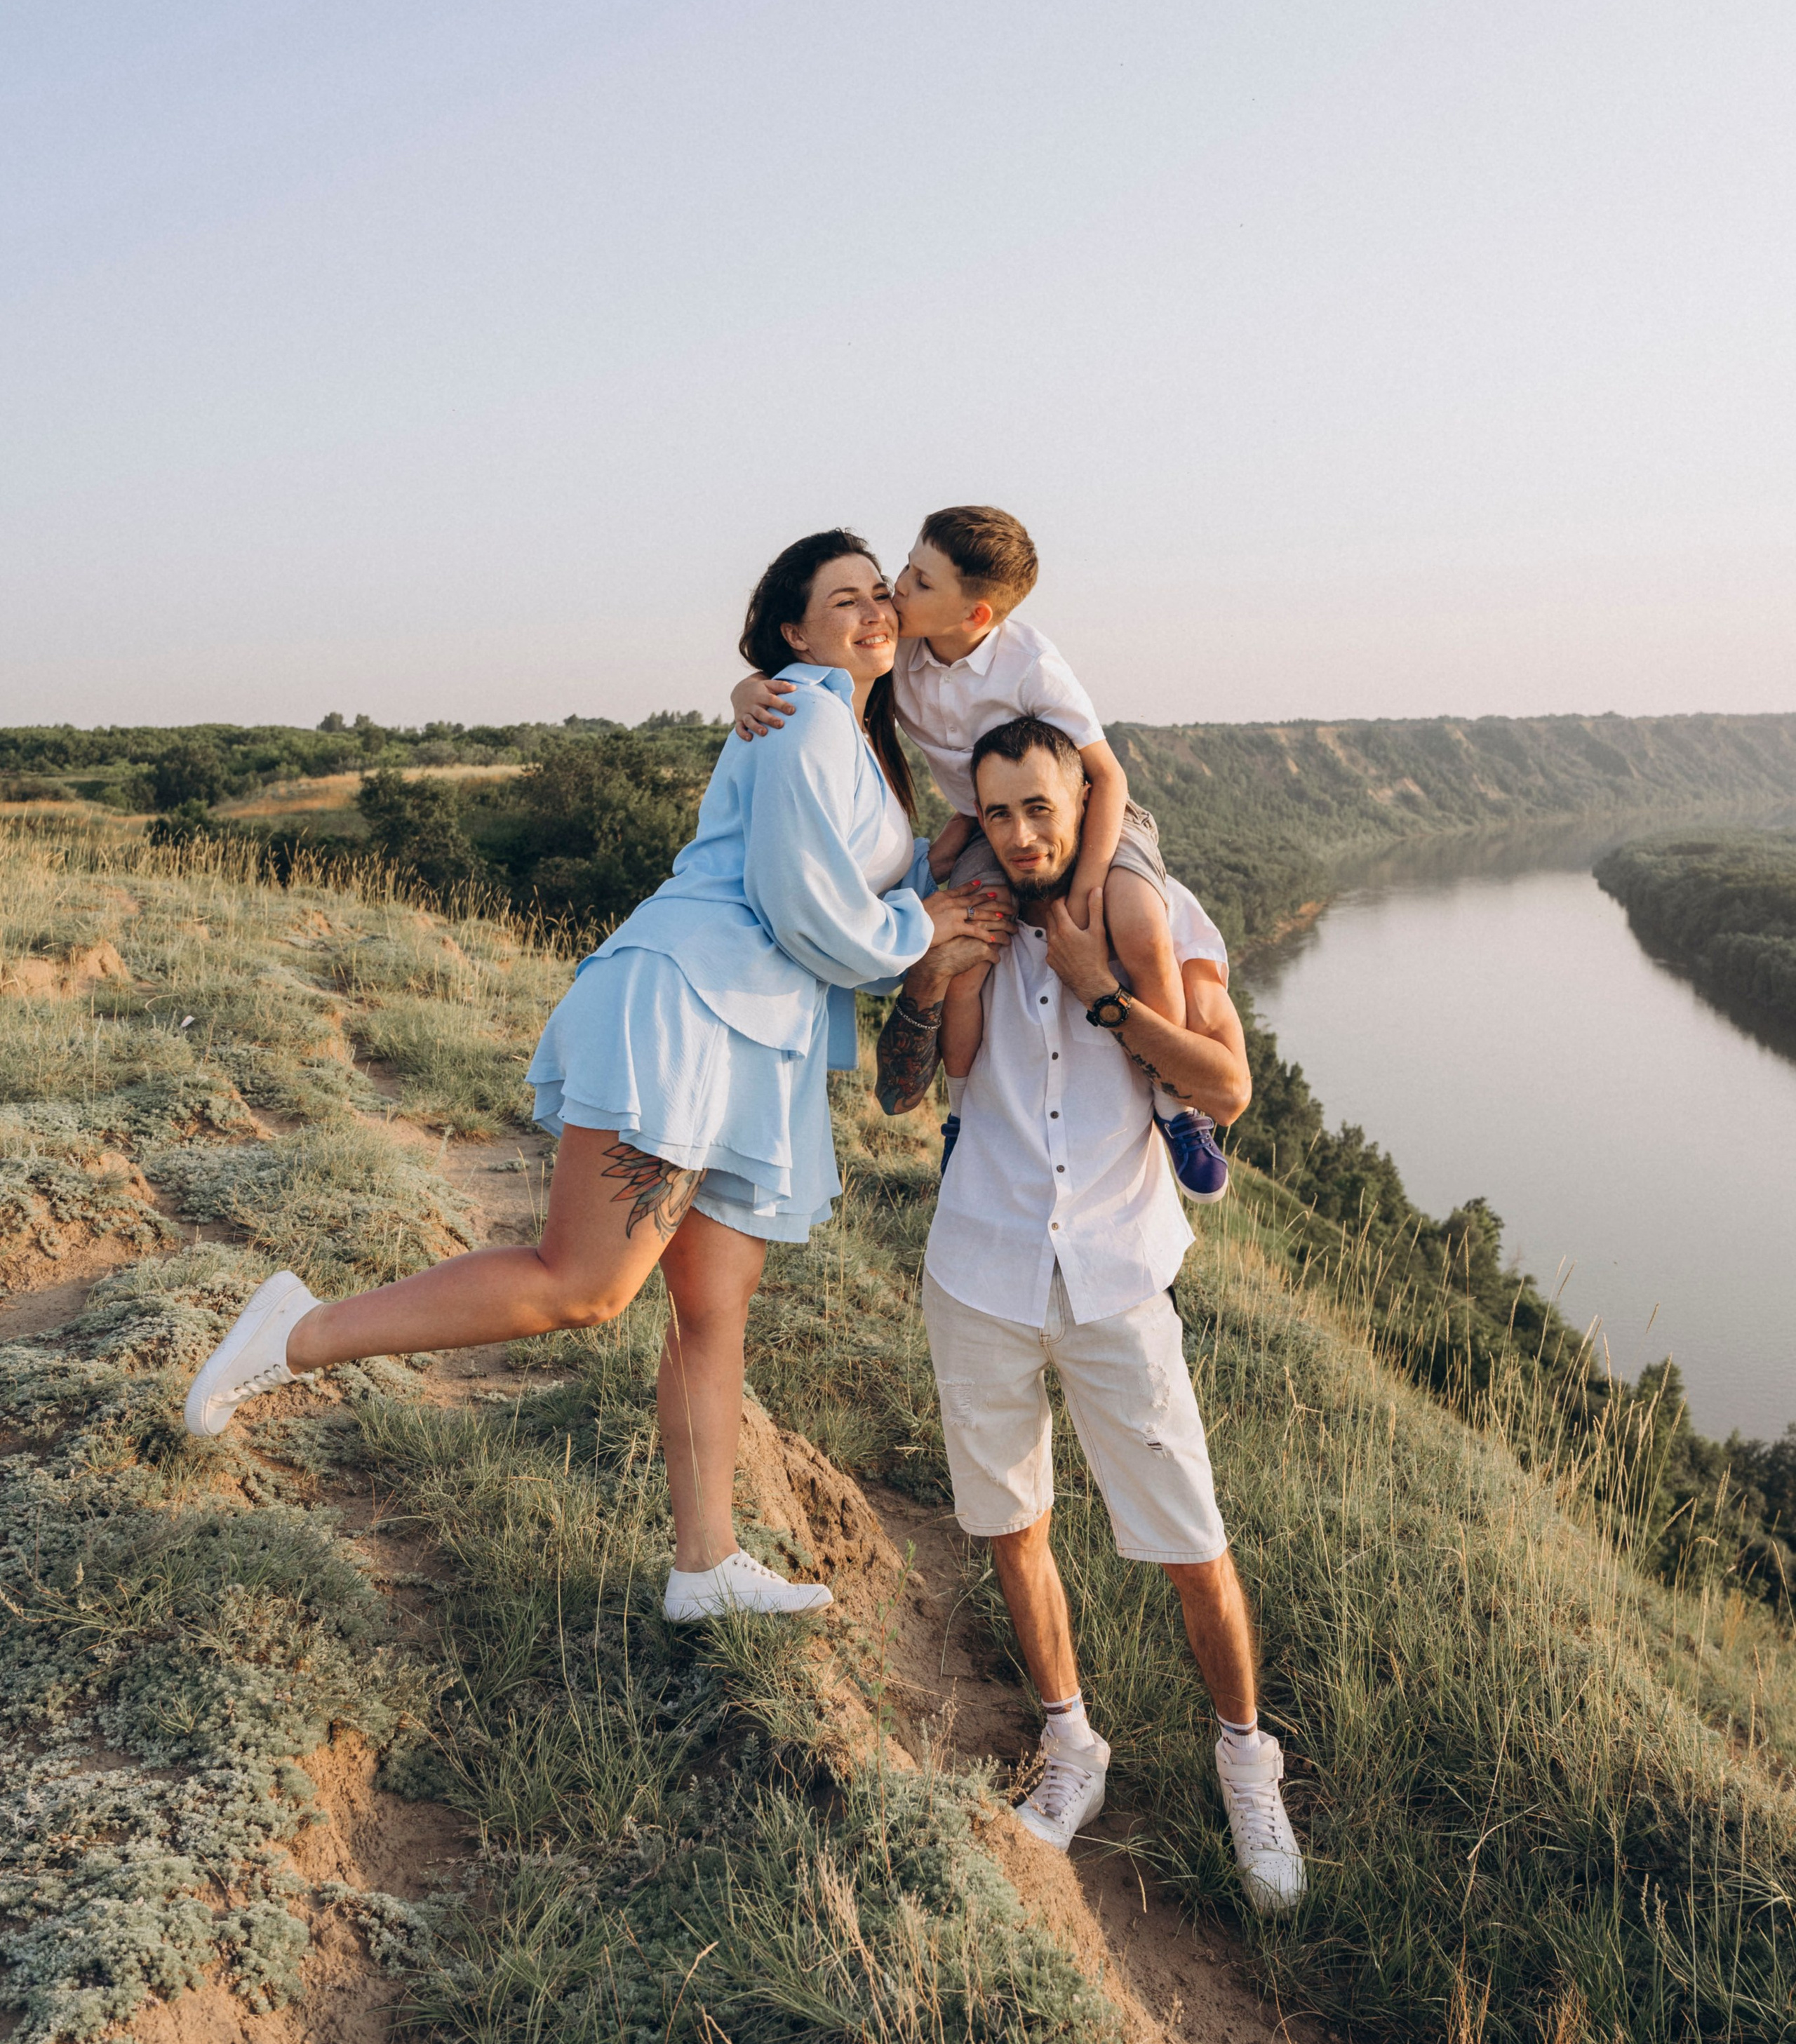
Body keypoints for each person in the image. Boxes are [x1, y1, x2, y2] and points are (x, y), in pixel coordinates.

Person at [182, 531, 1011, 1626]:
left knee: (713, 1307)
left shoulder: (845, 732)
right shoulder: (807, 714)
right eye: (843, 600)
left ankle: (706, 1563)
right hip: (688, 1008)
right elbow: (800, 901)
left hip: (749, 1039)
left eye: (880, 597)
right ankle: (293, 1333)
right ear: (793, 634)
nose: (873, 613)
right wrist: (920, 927)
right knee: (586, 1283)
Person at [873, 714, 1306, 1913]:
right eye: (997, 811)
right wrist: (932, 967)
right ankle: (1072, 1750)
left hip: (1118, 1275)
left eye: (1039, 808)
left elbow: (1226, 1086)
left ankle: (1245, 1763)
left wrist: (1101, 991)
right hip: (983, 1266)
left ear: (1083, 801)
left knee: (1193, 1542)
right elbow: (910, 1087)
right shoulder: (966, 910)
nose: (1019, 833)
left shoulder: (1147, 908)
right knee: (1014, 1523)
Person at [732, 505, 1226, 1203]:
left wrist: (1088, 886)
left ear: (975, 613)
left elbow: (1108, 777)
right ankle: (961, 1113)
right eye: (904, 567)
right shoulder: (897, 643)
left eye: (919, 581)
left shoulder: (1030, 664)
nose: (897, 589)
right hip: (990, 827)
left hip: (1088, 817)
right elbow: (814, 667)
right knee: (966, 950)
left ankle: (1178, 1107)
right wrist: (748, 688)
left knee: (1140, 925)